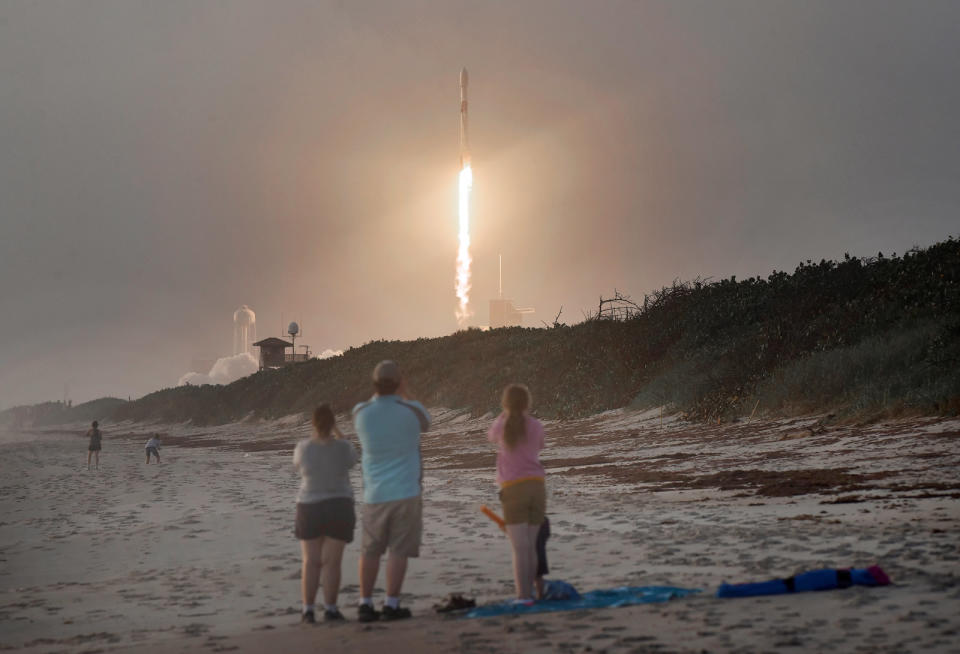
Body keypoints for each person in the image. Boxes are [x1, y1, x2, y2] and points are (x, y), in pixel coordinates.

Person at [352, 360, 431, 622]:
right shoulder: (412, 411)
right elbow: (426, 423)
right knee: (398, 550)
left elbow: (370, 406)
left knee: (370, 550)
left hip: (374, 493)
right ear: (400, 383)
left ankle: (365, 603)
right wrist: (404, 393)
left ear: (374, 384)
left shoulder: (361, 412)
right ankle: (391, 603)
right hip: (406, 491)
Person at [293, 404, 358, 624]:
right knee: (332, 562)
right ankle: (330, 609)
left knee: (311, 561)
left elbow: (297, 466)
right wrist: (338, 432)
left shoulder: (304, 447)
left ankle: (308, 610)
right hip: (338, 505)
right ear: (333, 424)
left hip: (309, 505)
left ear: (313, 423)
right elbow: (352, 456)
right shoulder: (342, 447)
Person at [487, 384, 546, 604]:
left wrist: (505, 413)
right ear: (527, 403)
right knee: (530, 546)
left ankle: (524, 595)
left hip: (513, 488)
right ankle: (531, 592)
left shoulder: (501, 424)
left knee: (519, 548)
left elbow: (491, 436)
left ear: (506, 404)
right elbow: (540, 446)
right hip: (536, 486)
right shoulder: (536, 425)